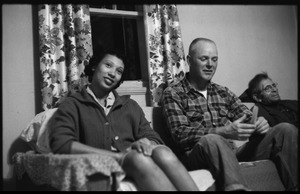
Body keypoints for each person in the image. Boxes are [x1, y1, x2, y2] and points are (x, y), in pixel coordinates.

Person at [48, 48, 199, 191]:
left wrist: (147, 142)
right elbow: (61, 144)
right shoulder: (73, 104)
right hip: (101, 163)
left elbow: (154, 138)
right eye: (108, 65)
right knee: (137, 159)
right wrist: (117, 156)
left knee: (163, 152)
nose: (112, 73)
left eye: (119, 71)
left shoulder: (130, 106)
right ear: (94, 67)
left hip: (132, 158)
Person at [161, 37, 298, 191]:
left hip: (231, 154)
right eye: (204, 59)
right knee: (212, 139)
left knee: (285, 130)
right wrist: (223, 131)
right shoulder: (173, 93)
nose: (210, 65)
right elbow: (180, 134)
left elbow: (247, 118)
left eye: (214, 59)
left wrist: (258, 123)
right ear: (189, 60)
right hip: (195, 156)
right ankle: (236, 188)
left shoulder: (223, 92)